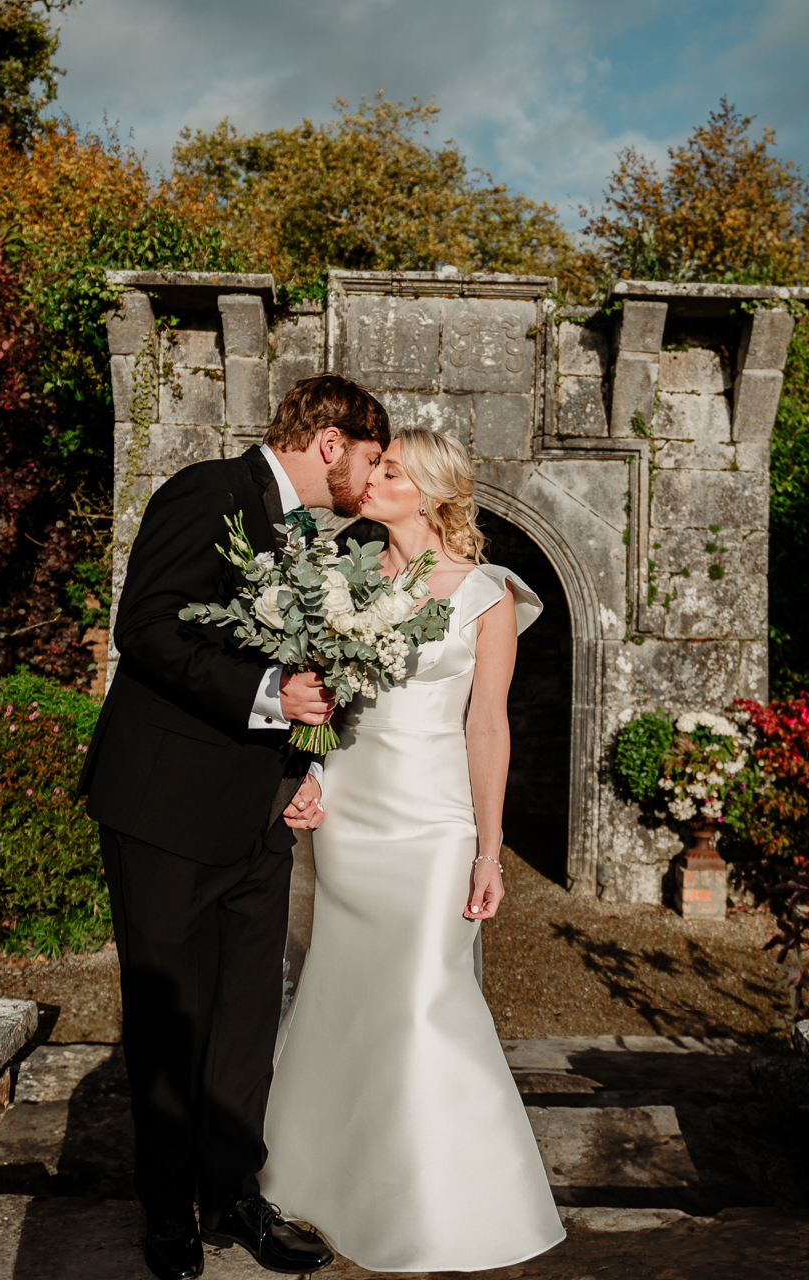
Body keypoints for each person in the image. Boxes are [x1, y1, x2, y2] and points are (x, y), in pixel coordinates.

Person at [78, 373, 390, 1280]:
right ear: (330, 442)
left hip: (259, 821)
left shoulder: (308, 538)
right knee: (172, 1021)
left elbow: (304, 668)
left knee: (249, 1020)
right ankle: (167, 1212)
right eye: (368, 460)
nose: (369, 481)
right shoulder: (205, 491)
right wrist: (268, 695)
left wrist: (303, 764)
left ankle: (234, 1198)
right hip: (166, 812)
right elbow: (149, 629)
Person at [259, 427, 566, 1273]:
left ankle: (442, 1205)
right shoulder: (338, 579)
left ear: (430, 491)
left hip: (435, 826)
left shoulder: (487, 595)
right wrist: (310, 774)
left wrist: (489, 851)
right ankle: (327, 1184)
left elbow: (488, 726)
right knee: (345, 995)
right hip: (351, 818)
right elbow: (327, 701)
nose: (373, 478)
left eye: (390, 470)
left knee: (427, 997)